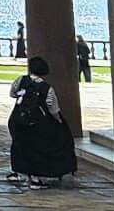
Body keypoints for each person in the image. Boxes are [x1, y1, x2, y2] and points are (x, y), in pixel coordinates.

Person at [6, 56, 78, 187]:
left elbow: (12, 93)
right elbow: (53, 109)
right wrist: (59, 121)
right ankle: (35, 178)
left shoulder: (21, 80)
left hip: (16, 119)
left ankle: (14, 171)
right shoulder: (46, 88)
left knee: (18, 145)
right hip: (34, 123)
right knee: (36, 149)